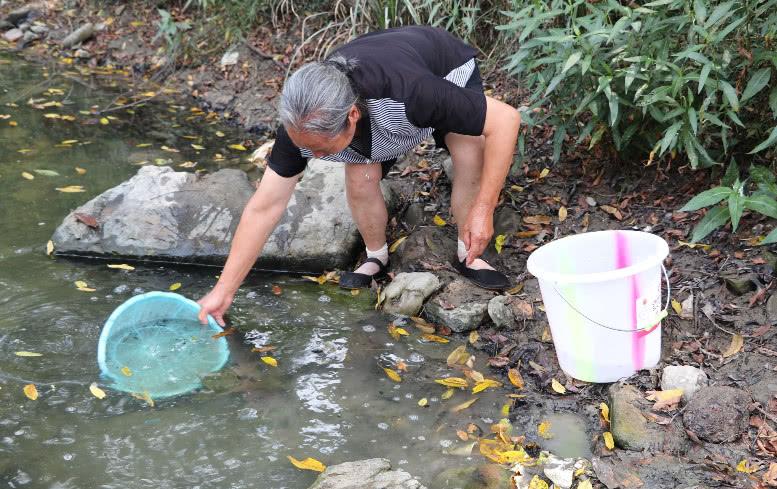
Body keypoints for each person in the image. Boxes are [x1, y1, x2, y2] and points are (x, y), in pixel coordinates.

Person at [198, 25, 520, 326]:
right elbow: (264, 207)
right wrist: (224, 290)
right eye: (309, 149)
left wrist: (484, 208)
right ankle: (376, 256)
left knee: (468, 157)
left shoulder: (413, 92)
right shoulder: (301, 126)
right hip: (377, 94)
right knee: (359, 176)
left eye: (322, 150)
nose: (317, 158)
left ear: (351, 117)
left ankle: (469, 252)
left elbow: (506, 120)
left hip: (442, 71)